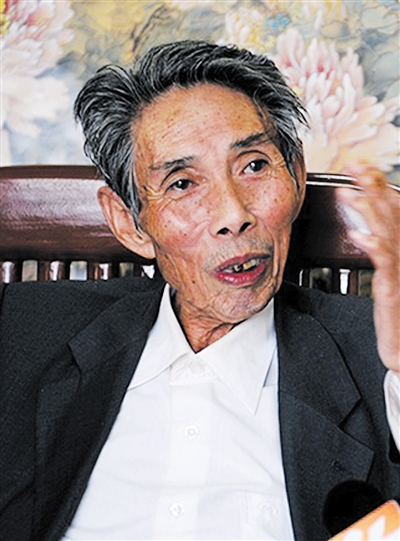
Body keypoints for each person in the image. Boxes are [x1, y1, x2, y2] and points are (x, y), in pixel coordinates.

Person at [0, 40, 399, 541]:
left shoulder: (381, 356)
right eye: (183, 184)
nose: (233, 214)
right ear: (129, 223)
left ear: (296, 176)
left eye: (254, 165)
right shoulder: (21, 330)